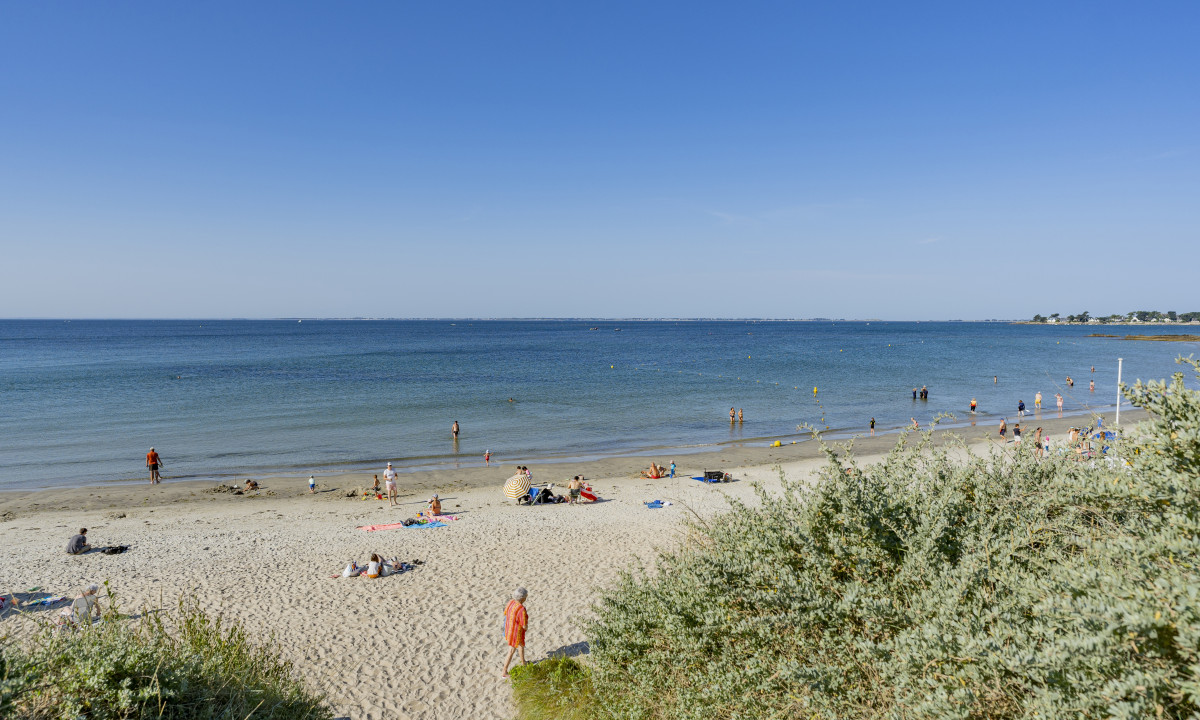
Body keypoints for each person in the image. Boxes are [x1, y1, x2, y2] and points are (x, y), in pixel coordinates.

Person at [502, 587, 529, 678]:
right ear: (523, 599)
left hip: (508, 628)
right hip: (515, 633)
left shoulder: (510, 602)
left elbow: (505, 613)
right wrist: (526, 628)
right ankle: (504, 671)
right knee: (511, 651)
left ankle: (523, 662)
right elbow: (524, 625)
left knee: (521, 645)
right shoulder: (521, 609)